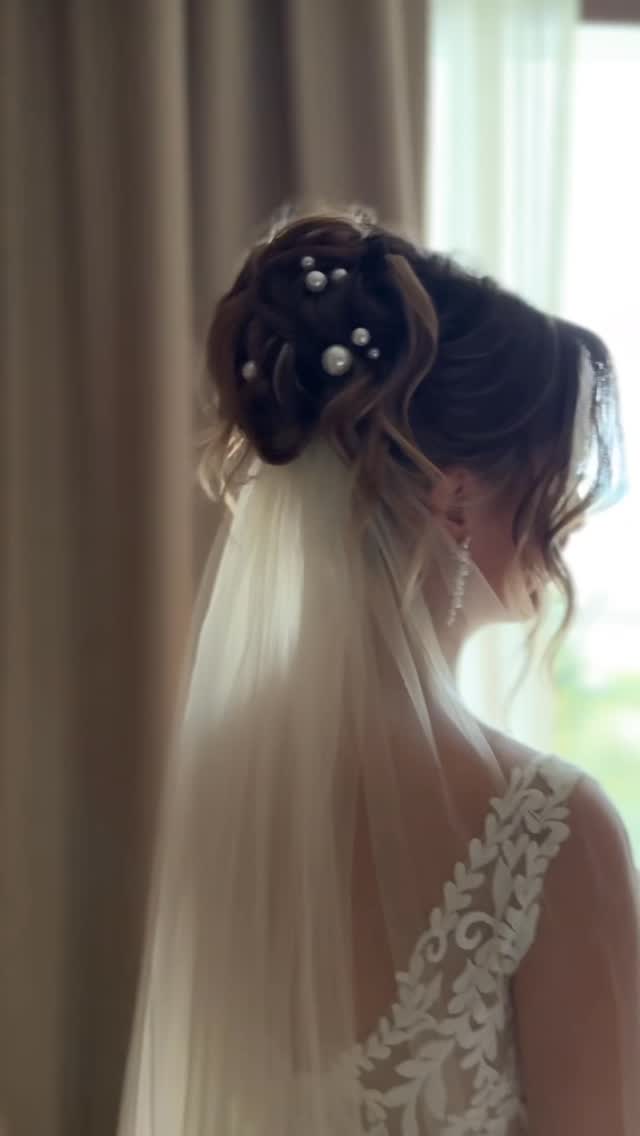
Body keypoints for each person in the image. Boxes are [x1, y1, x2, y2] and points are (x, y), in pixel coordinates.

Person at [118, 208, 640, 1136]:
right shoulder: (554, 832)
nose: (571, 515)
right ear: (456, 499)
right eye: (554, 474)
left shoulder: (225, 777)